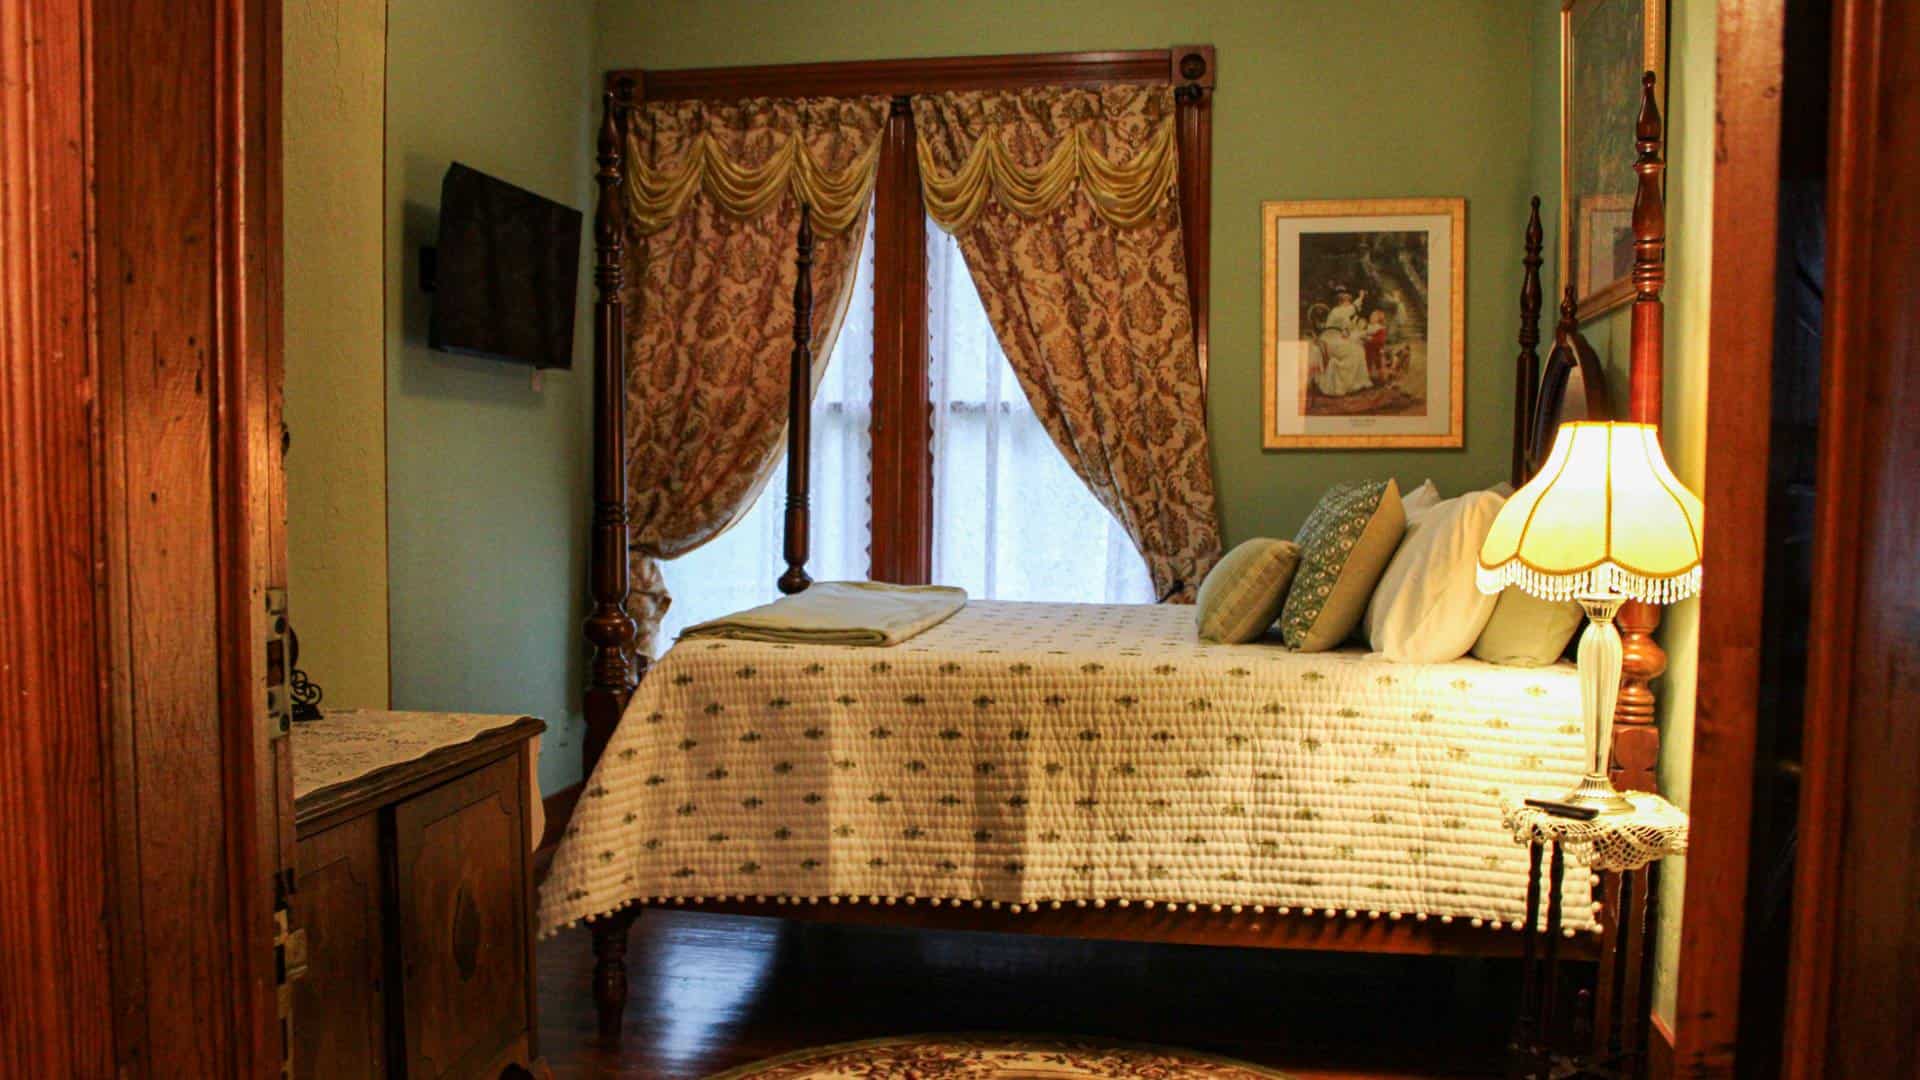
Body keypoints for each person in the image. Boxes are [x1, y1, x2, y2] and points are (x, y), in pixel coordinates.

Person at [1312, 285, 1373, 396]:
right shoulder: (1338, 311)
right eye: (1347, 300)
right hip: (1330, 341)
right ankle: (1344, 384)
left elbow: (1346, 329)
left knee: (1358, 348)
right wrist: (1361, 296)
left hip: (1334, 339)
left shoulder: (1342, 313)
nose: (1349, 302)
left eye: (1349, 300)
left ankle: (1356, 383)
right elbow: (1353, 308)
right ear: (1342, 301)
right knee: (1356, 351)